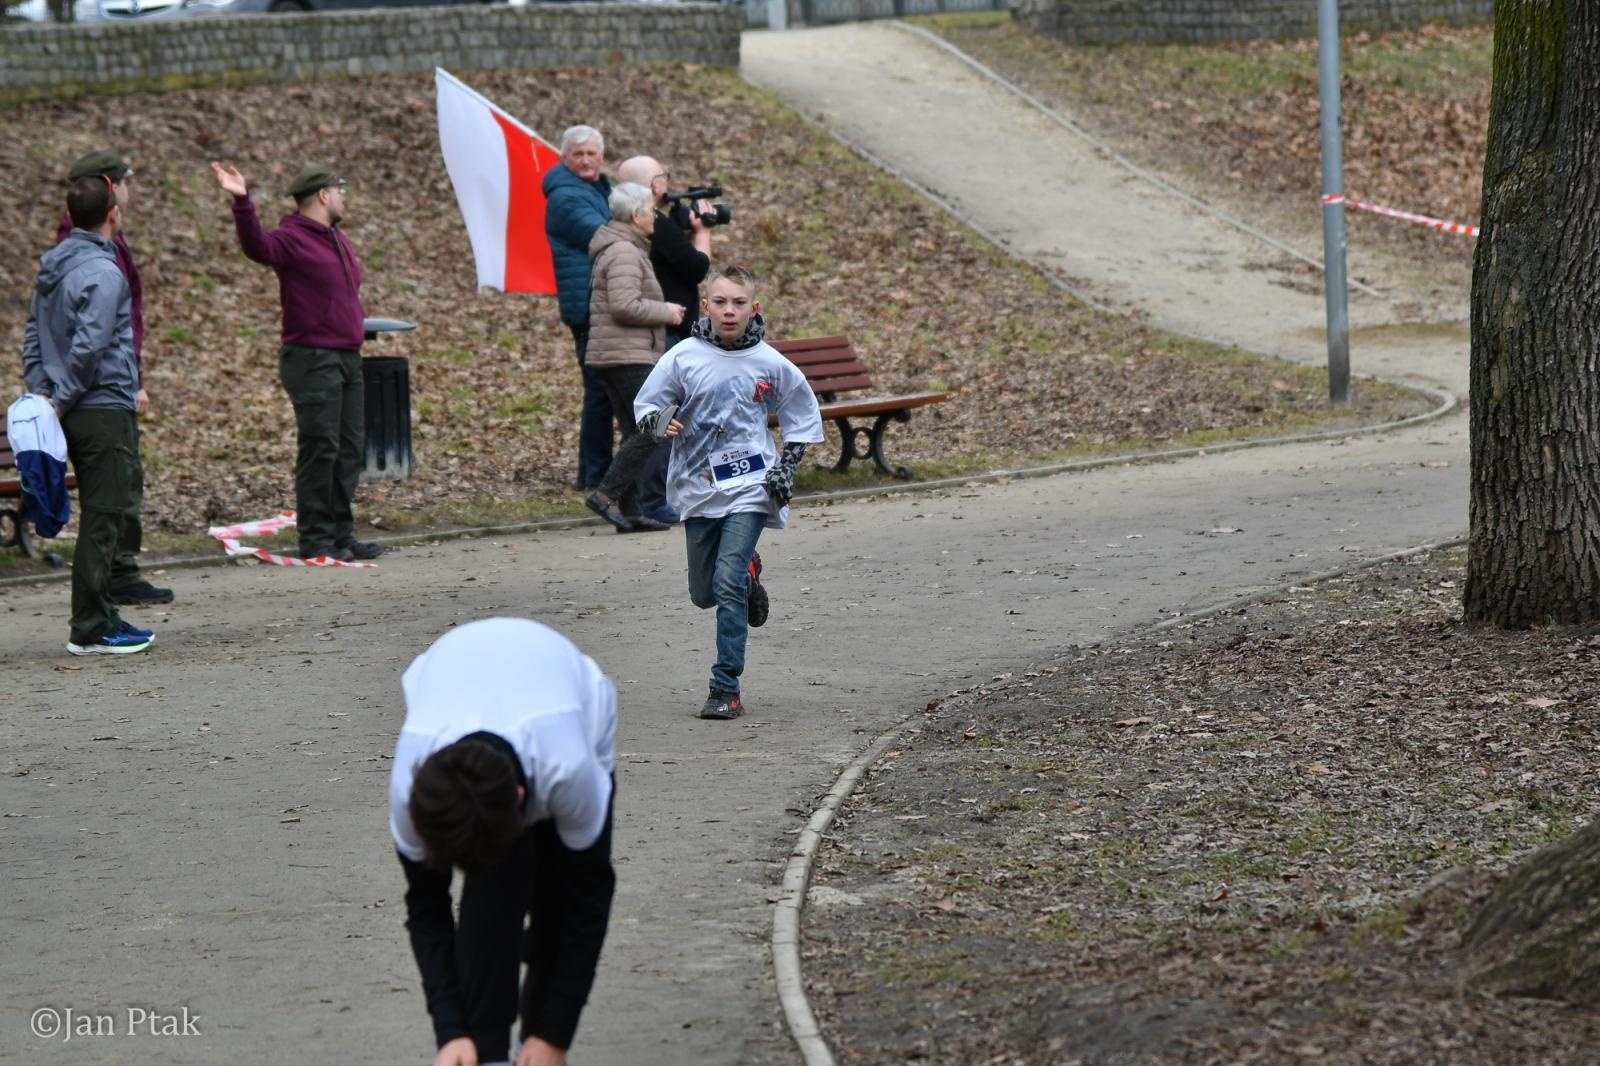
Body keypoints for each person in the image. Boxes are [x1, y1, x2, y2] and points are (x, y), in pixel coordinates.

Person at [389, 617, 617, 1066]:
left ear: (519, 801)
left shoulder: (569, 767)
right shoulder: (411, 790)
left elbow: (589, 899)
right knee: (490, 900)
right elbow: (427, 908)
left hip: (568, 700)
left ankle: (535, 1042)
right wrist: (450, 1031)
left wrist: (553, 1034)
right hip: (454, 677)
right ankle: (485, 1051)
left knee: (557, 898)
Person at [633, 267, 823, 719]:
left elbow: (803, 416)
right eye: (720, 302)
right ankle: (749, 575)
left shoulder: (772, 363)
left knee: (725, 582)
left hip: (752, 486)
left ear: (754, 309)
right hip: (699, 486)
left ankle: (725, 687)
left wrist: (786, 468)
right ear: (706, 307)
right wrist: (660, 422)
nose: (730, 310)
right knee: (704, 592)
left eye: (739, 302)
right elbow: (645, 407)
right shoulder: (683, 357)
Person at [211, 161, 381, 563]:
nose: (344, 198)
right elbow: (257, 247)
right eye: (341, 191)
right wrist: (242, 202)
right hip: (312, 359)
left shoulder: (336, 239)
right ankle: (316, 537)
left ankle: (341, 533)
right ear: (323, 195)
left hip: (346, 356)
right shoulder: (291, 238)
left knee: (349, 449)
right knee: (321, 447)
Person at [22, 175, 156, 655]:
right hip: (99, 406)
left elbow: (34, 338)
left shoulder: (53, 267)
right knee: (105, 515)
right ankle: (92, 627)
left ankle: (101, 614)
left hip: (67, 405)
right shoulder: (104, 271)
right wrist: (62, 395)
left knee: (102, 515)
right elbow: (91, 345)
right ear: (113, 214)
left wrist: (44, 392)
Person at [54, 150, 173, 607]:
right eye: (125, 181)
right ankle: (110, 587)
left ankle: (119, 576)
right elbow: (97, 329)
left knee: (122, 484)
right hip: (101, 391)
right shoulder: (86, 248)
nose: (129, 189)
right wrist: (129, 381)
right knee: (115, 491)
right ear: (109, 189)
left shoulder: (101, 243)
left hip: (104, 384)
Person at [615, 154, 714, 526]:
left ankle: (640, 499)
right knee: (667, 421)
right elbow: (697, 267)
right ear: (655, 185)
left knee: (647, 421)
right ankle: (655, 500)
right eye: (663, 178)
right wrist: (703, 232)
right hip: (671, 331)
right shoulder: (657, 224)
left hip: (649, 335)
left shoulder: (636, 226)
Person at [581, 182, 685, 534]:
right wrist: (665, 311)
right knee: (655, 426)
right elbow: (624, 305)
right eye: (651, 211)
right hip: (627, 353)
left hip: (615, 353)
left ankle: (633, 510)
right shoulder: (624, 252)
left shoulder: (619, 247)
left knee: (634, 428)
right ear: (637, 214)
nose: (655, 217)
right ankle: (605, 494)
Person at [542, 125, 614, 492]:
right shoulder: (566, 198)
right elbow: (604, 236)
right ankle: (595, 475)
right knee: (599, 391)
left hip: (602, 301)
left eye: (591, 153)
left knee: (601, 391)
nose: (586, 160)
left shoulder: (596, 187)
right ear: (565, 158)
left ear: (602, 156)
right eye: (578, 154)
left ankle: (594, 473)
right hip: (588, 306)